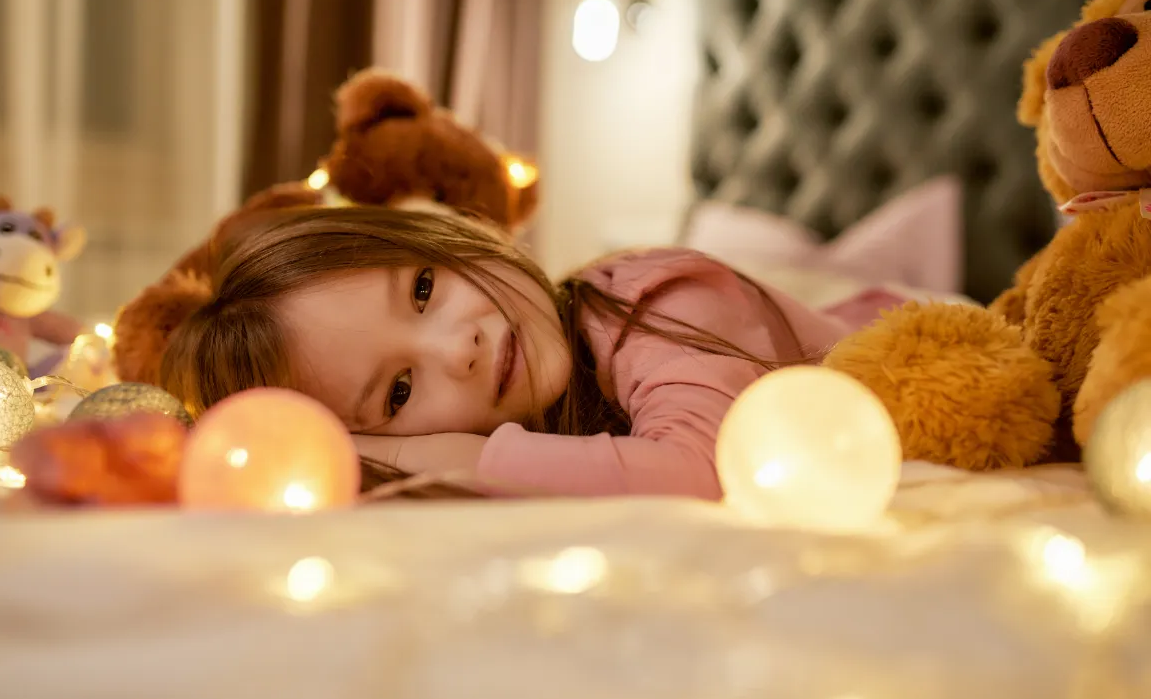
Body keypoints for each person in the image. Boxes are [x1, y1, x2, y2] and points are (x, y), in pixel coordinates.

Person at [161, 206, 881, 499]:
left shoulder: (653, 301)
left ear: (446, 238)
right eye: (399, 392)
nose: (459, 346)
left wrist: (453, 456)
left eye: (421, 288)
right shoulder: (543, 417)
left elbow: (710, 469)